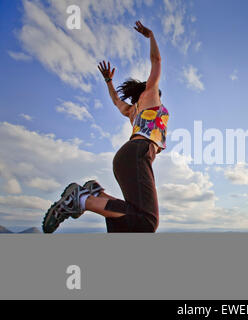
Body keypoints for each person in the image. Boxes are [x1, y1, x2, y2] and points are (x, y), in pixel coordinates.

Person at [42, 21, 168, 233]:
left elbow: (116, 101)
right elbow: (156, 60)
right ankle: (81, 200)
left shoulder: (132, 111)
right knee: (147, 221)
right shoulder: (151, 96)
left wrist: (109, 81)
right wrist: (152, 36)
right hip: (138, 153)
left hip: (127, 157)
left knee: (133, 217)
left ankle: (97, 195)